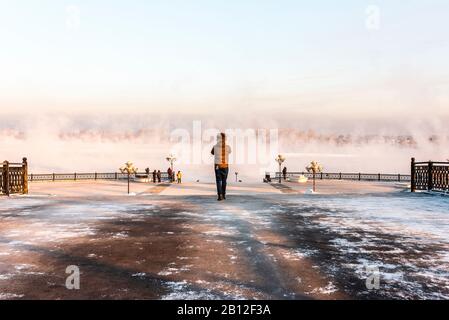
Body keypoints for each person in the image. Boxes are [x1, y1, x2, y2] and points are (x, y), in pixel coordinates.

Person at [211, 132, 232, 201]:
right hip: (225, 165)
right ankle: (223, 194)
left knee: (218, 181)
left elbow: (212, 152)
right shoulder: (228, 147)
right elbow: (230, 152)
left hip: (217, 166)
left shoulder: (215, 146)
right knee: (224, 181)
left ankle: (219, 195)